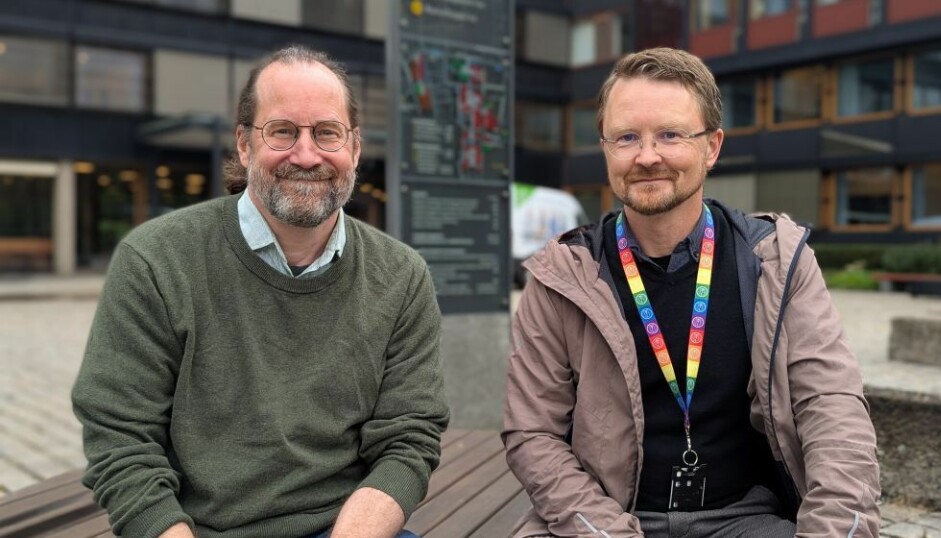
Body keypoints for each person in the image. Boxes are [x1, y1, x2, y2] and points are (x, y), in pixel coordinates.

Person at [72, 45, 449, 538]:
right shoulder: (155, 260)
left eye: (327, 133)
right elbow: (120, 439)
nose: (307, 154)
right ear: (245, 145)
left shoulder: (402, 275)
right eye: (283, 131)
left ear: (354, 148)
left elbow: (409, 437)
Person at [502, 47, 880, 538]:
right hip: (606, 519)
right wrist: (604, 531)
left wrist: (833, 530)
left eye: (670, 134)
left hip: (745, 519)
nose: (647, 156)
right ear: (605, 148)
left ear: (712, 146)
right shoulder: (561, 276)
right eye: (626, 137)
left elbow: (831, 406)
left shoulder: (776, 261)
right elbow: (533, 434)